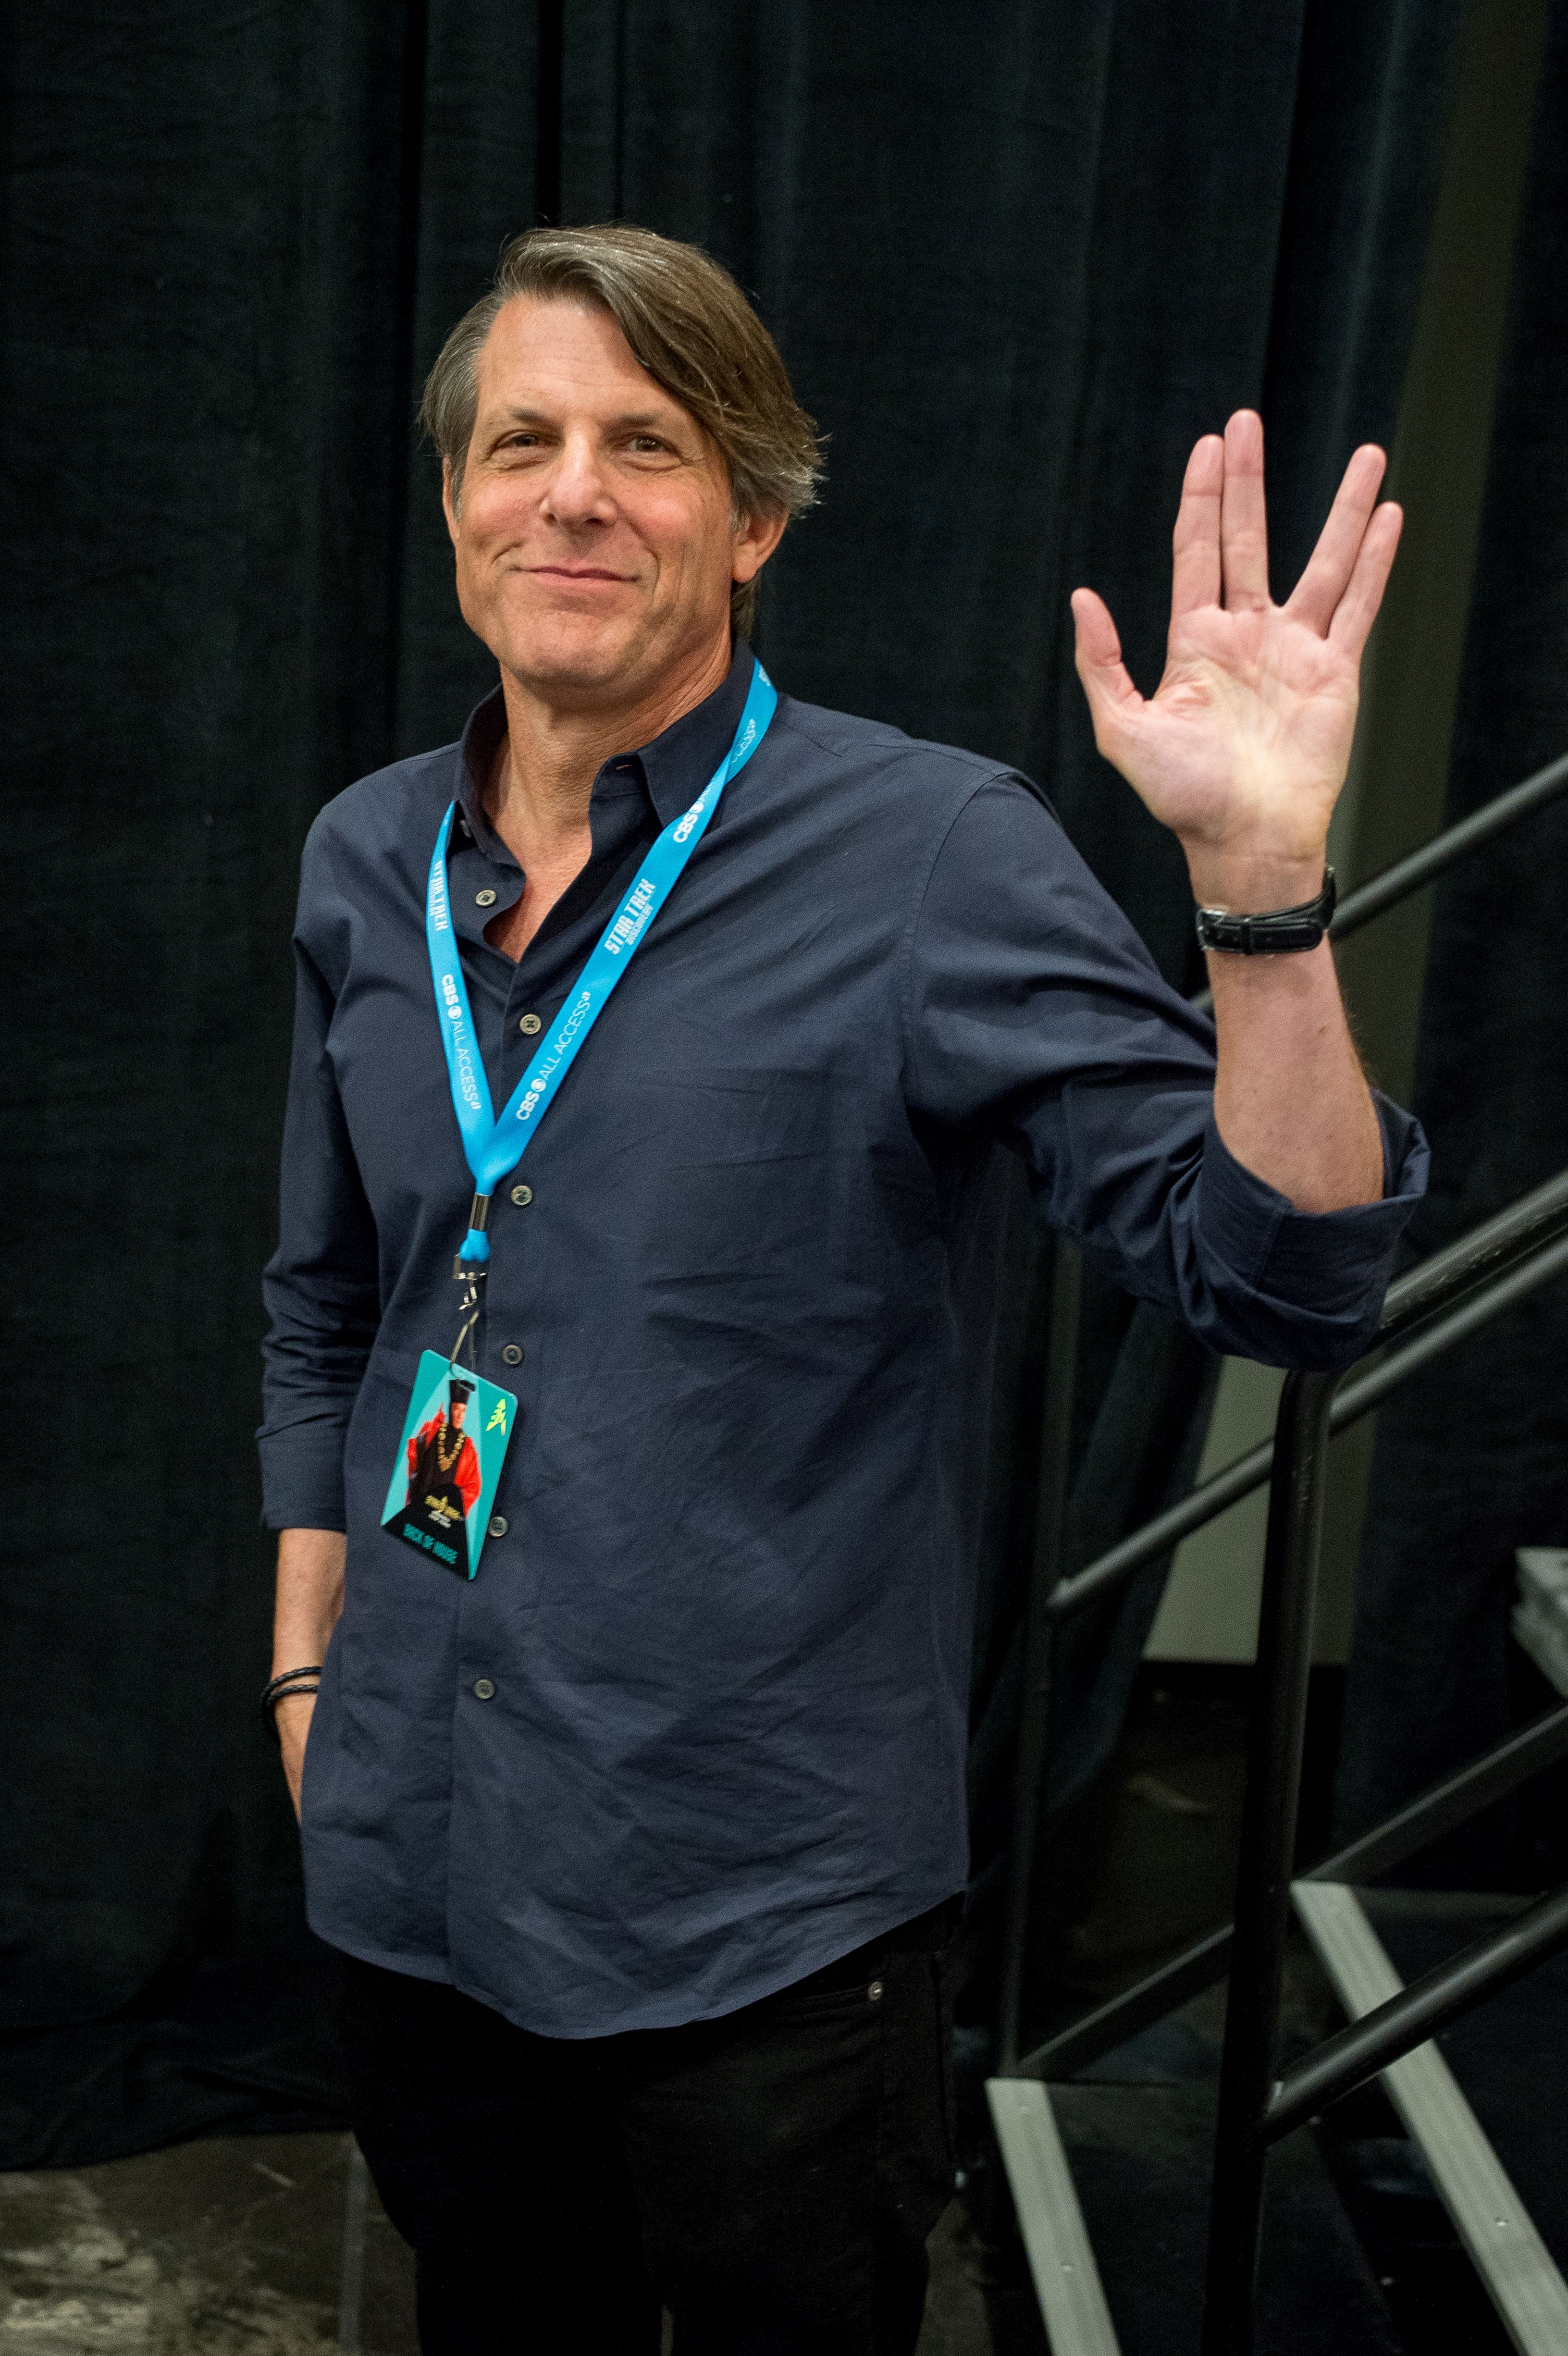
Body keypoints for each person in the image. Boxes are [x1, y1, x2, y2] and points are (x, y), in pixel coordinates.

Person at [258, 223, 1425, 2354]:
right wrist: (308, 1681)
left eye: (648, 443)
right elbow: (329, 1302)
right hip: (412, 1852)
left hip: (762, 1923)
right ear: (457, 502)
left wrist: (1262, 892)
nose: (575, 492)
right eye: (521, 440)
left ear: (756, 516)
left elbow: (1289, 1277)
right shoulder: (366, 863)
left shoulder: (930, 858)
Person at [386, 1374, 482, 1575]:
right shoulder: (432, 1432)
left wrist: (454, 1510)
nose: (460, 1416)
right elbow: (414, 1459)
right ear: (450, 1408)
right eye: (456, 1409)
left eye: (464, 1411)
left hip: (445, 1517)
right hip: (419, 1507)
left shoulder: (469, 1448)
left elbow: (474, 1486)